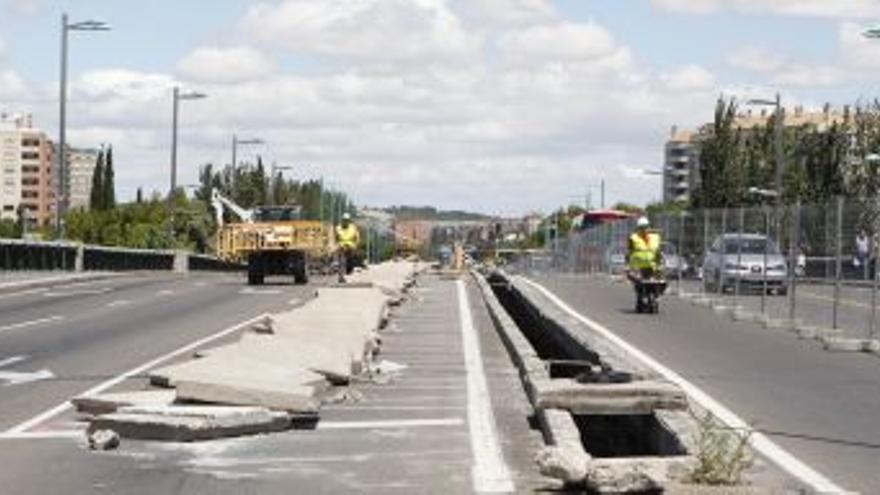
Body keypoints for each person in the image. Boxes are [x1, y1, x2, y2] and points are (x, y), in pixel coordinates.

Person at [335, 213, 361, 282]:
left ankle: (349, 271)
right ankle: (341, 277)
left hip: (351, 247)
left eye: (347, 220)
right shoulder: (338, 228)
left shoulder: (353, 228)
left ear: (349, 221)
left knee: (350, 262)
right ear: (342, 220)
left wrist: (355, 245)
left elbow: (357, 237)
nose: (345, 221)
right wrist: (337, 245)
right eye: (344, 220)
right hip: (341, 247)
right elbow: (335, 238)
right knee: (341, 262)